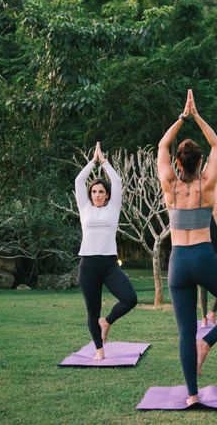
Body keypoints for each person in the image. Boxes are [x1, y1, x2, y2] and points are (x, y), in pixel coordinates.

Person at [159, 90, 217, 406]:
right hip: (202, 256)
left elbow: (161, 145)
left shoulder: (169, 186)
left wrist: (181, 118)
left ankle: (191, 395)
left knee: (185, 331)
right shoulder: (208, 183)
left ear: (176, 162)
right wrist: (196, 115)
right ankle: (209, 342)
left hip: (177, 261)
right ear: (200, 162)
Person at [75, 142, 137, 360]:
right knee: (92, 311)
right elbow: (79, 180)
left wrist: (104, 162)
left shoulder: (113, 208)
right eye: (94, 191)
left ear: (108, 195)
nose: (97, 194)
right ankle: (99, 348)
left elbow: (117, 181)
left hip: (110, 265)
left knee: (130, 299)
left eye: (101, 191)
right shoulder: (84, 208)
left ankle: (107, 321)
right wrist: (92, 162)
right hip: (88, 265)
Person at [198, 189, 217, 326]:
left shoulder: (214, 217)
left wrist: (216, 182)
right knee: (203, 289)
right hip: (201, 256)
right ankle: (204, 318)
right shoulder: (195, 219)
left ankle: (212, 312)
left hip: (214, 256)